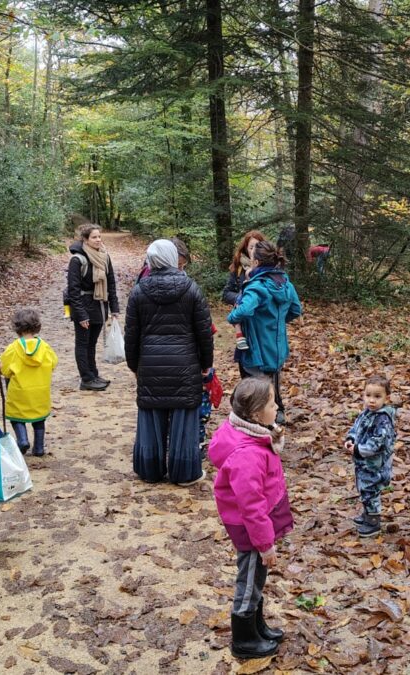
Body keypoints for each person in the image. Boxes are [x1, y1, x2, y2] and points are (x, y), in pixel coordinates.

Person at [208, 377, 293, 660]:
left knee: (257, 577)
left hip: (258, 523)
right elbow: (251, 506)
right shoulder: (247, 454)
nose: (277, 405)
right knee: (250, 579)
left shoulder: (251, 431)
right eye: (272, 403)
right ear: (256, 414)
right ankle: (244, 637)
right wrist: (265, 544)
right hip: (252, 529)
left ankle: (257, 625)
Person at [125, 239, 214, 485]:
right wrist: (206, 363)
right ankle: (185, 472)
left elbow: (131, 334)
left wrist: (135, 365)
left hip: (151, 364)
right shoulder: (191, 288)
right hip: (185, 364)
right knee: (184, 417)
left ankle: (149, 470)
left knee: (151, 414)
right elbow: (203, 332)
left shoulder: (139, 290)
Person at [228, 241, 302, 426]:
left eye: (253, 258)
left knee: (257, 389)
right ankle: (275, 417)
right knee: (273, 383)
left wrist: (232, 317)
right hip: (277, 348)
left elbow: (243, 311)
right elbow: (295, 309)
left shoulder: (256, 287)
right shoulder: (285, 284)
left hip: (256, 349)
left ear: (257, 263)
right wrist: (276, 323)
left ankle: (258, 426)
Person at [67, 224, 119, 391]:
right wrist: (81, 315)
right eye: (94, 237)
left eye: (99, 236)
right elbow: (73, 290)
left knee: (92, 343)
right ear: (85, 239)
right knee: (82, 343)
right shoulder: (77, 260)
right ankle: (86, 379)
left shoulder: (104, 256)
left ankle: (93, 374)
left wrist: (114, 308)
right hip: (83, 305)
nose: (98, 240)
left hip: (99, 305)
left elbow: (111, 283)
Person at [0, 308, 58, 457]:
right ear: (37, 326)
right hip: (40, 391)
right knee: (39, 420)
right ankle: (38, 447)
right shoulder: (44, 347)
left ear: (16, 327)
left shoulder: (13, 348)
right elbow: (53, 363)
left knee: (16, 417)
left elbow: (4, 369)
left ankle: (23, 439)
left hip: (19, 392)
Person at [344, 375, 397, 537]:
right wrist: (350, 439)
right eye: (368, 396)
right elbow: (356, 428)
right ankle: (367, 514)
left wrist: (358, 449)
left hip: (375, 465)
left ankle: (373, 522)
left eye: (377, 396)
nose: (371, 400)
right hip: (364, 463)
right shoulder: (366, 413)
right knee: (364, 488)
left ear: (386, 398)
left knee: (371, 491)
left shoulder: (383, 420)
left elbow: (377, 444)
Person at [223, 230, 266, 351]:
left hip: (264, 322)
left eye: (258, 246)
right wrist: (239, 298)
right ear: (246, 248)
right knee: (247, 359)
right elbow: (226, 293)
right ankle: (239, 336)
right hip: (245, 321)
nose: (254, 250)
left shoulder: (270, 267)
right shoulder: (238, 267)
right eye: (251, 247)